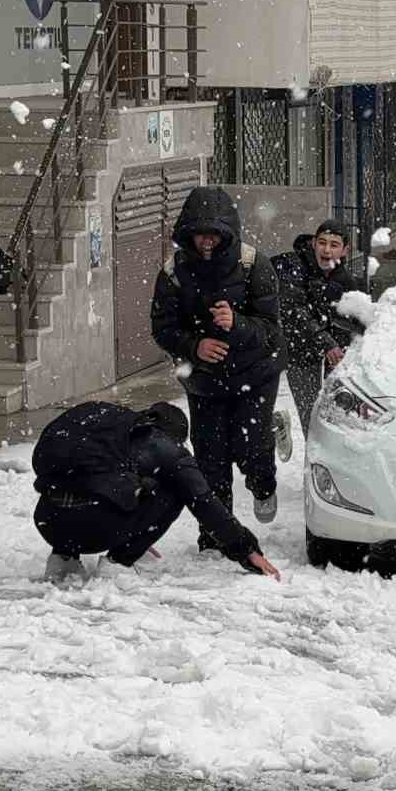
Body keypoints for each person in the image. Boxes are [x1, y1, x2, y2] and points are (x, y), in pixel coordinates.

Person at [150, 186, 289, 539]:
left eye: (213, 234)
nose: (206, 242)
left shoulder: (252, 264)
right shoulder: (173, 272)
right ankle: (215, 531)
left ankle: (263, 483)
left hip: (255, 374)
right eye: (199, 234)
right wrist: (195, 346)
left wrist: (237, 323)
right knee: (210, 456)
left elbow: (272, 330)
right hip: (204, 379)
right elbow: (163, 328)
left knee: (251, 446)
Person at [32, 401, 281, 582]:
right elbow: (204, 501)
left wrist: (131, 508)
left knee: (74, 479)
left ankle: (63, 559)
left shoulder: (107, 420)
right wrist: (246, 550)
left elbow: (69, 468)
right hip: (100, 527)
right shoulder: (165, 446)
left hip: (50, 522)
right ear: (176, 436)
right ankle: (118, 562)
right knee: (177, 487)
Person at [273, 220, 364, 437]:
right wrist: (327, 342)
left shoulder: (345, 280)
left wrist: (343, 353)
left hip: (321, 346)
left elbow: (356, 322)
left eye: (334, 245)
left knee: (334, 415)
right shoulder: (292, 265)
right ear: (313, 243)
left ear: (345, 250)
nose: (326, 249)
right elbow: (294, 310)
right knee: (311, 419)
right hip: (291, 344)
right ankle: (274, 427)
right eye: (322, 242)